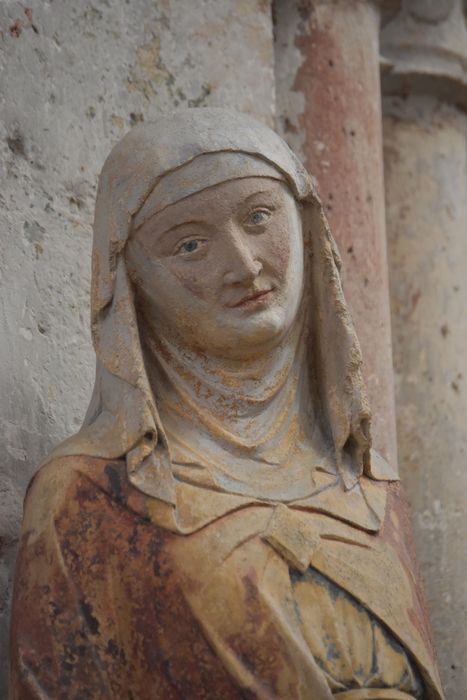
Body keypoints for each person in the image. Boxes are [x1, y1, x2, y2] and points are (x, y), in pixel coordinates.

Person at [10, 109, 444, 699]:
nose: (244, 265)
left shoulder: (370, 485)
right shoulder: (90, 494)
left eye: (259, 217)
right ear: (130, 280)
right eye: (189, 244)